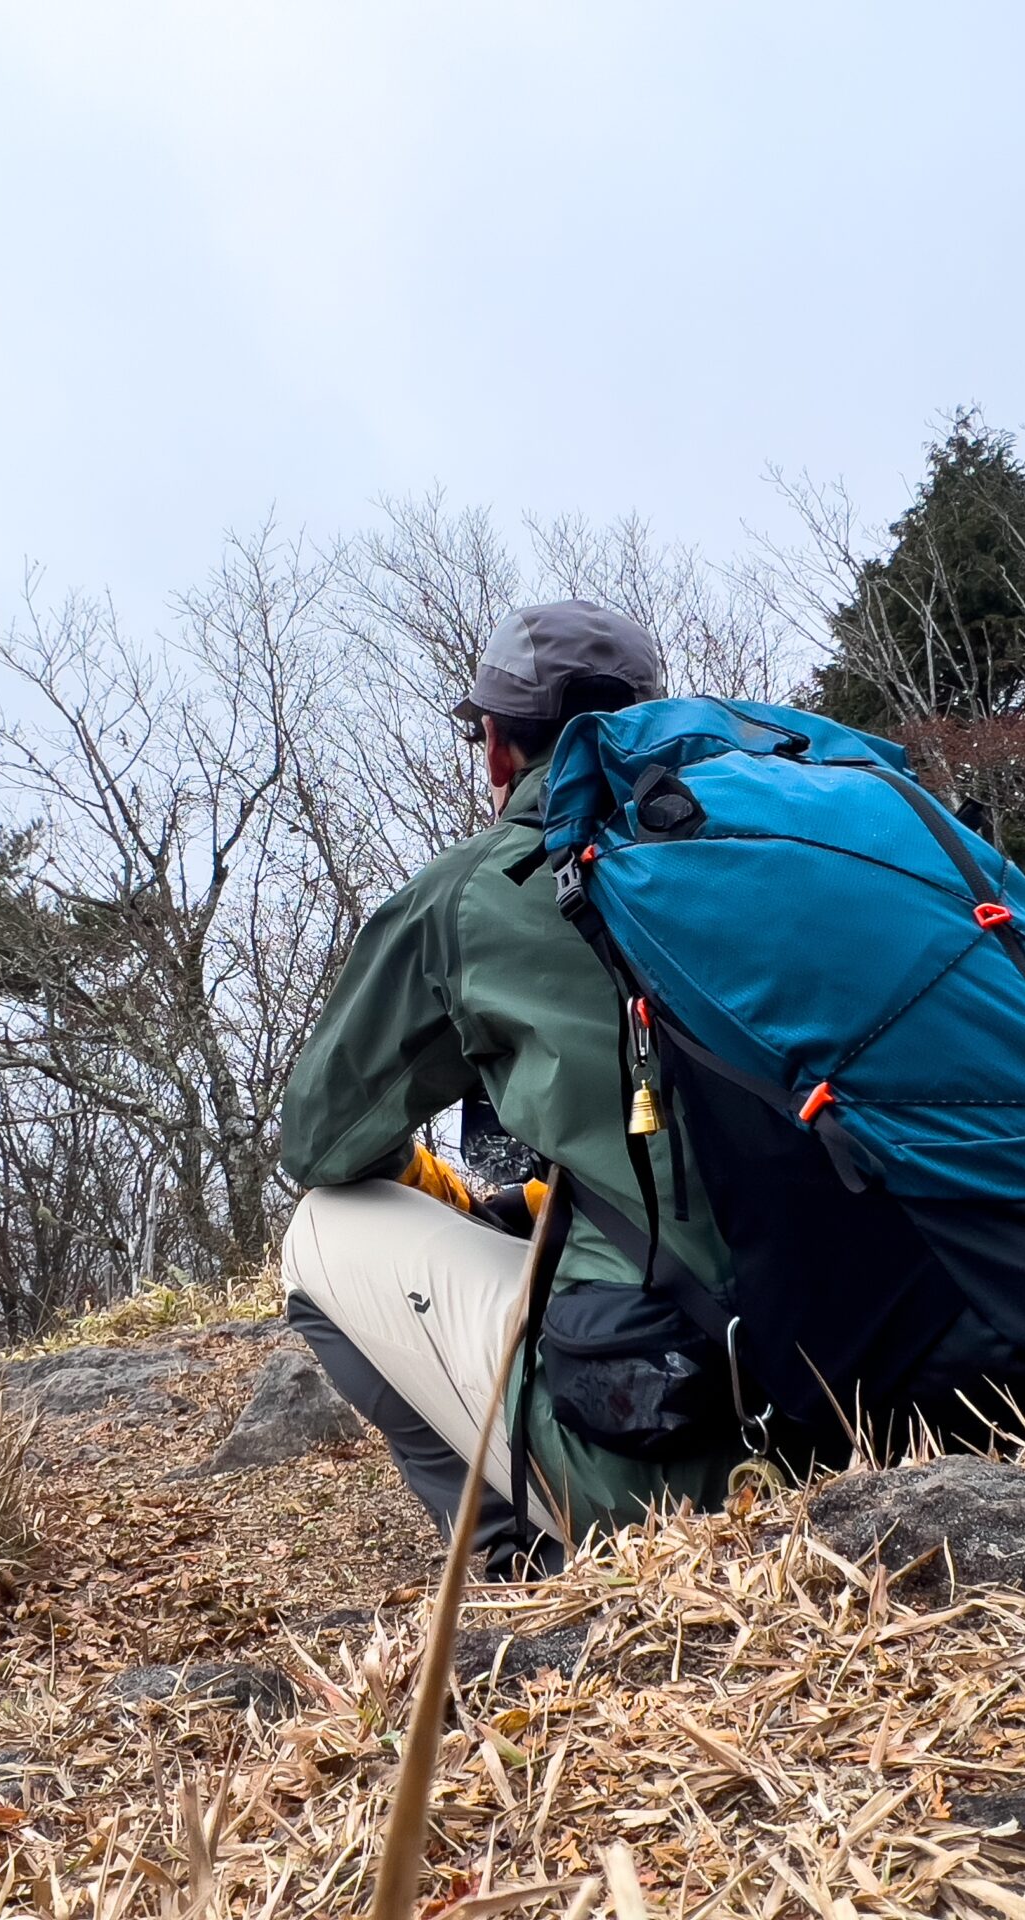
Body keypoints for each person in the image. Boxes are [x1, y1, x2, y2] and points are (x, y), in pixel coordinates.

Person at [277, 600, 746, 1575]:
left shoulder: (477, 889)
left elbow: (320, 1144)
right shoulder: (770, 858)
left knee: (318, 1232)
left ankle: (515, 1555)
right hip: (910, 1378)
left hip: (684, 1453)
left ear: (497, 750)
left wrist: (425, 1177)